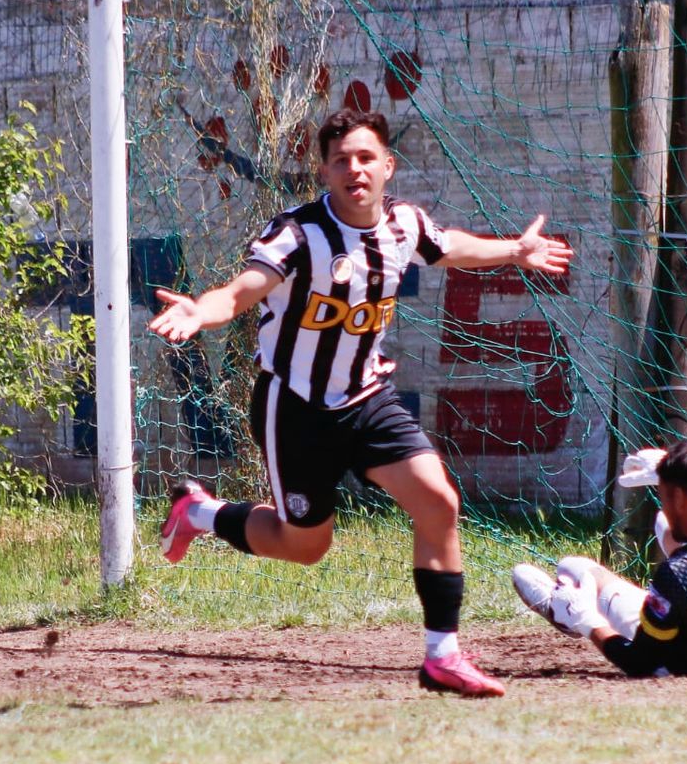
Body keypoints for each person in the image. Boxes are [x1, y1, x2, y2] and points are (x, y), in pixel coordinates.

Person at [149, 107, 573, 698]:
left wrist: (513, 252)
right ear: (324, 171)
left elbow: (449, 247)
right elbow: (244, 290)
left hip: (367, 398)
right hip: (294, 407)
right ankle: (198, 513)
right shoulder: (296, 235)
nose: (355, 168)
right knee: (306, 546)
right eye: (342, 159)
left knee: (439, 502)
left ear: (387, 168)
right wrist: (202, 309)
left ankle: (442, 656)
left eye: (366, 157)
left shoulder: (404, 226)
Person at [512, 437, 687, 677]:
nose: (665, 505)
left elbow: (639, 662)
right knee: (665, 527)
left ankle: (563, 613)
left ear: (681, 498)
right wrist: (672, 465)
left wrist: (587, 620)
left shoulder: (681, 573)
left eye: (665, 496)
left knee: (575, 569)